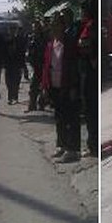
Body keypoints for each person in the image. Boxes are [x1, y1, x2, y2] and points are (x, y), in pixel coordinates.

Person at [42, 12, 81, 163]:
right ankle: (62, 145)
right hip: (54, 86)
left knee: (71, 118)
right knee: (59, 118)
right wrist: (45, 86)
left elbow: (74, 66)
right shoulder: (51, 44)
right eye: (52, 25)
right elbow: (47, 66)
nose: (54, 28)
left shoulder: (70, 43)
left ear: (63, 26)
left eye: (57, 24)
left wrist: (73, 86)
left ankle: (72, 150)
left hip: (68, 86)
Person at [78, 0, 98, 157]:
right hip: (90, 72)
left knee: (91, 111)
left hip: (90, 74)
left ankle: (93, 146)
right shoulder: (91, 26)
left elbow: (88, 48)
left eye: (82, 10)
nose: (80, 13)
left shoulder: (91, 27)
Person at [25, 20, 47, 112]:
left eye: (37, 27)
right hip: (33, 64)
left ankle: (41, 104)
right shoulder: (31, 38)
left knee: (43, 85)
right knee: (33, 85)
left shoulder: (44, 38)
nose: (35, 29)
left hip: (43, 64)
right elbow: (28, 50)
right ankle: (32, 104)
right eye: (34, 27)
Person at [4, 26, 27, 104]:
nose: (12, 32)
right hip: (8, 64)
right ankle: (10, 96)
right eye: (10, 30)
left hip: (17, 64)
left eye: (13, 30)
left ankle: (15, 97)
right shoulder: (6, 40)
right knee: (8, 81)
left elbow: (22, 53)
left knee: (16, 81)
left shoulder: (20, 40)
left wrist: (22, 65)